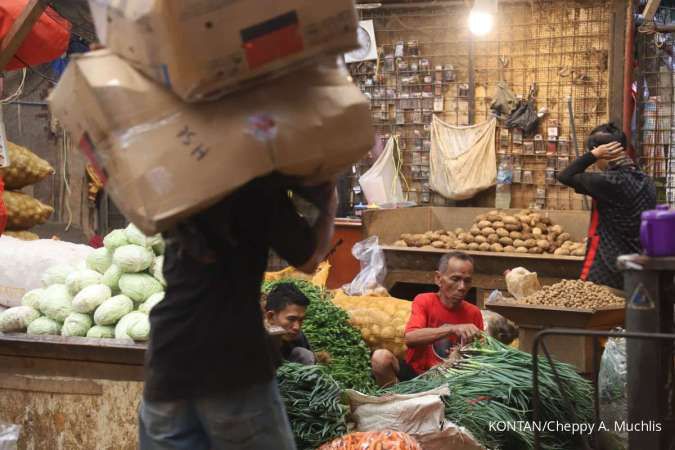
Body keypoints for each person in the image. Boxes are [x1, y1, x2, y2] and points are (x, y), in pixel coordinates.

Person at [139, 174, 337, 450]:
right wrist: (329, 202)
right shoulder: (256, 183)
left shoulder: (178, 179)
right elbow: (310, 259)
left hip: (166, 356)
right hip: (231, 358)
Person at [557, 123, 656, 290]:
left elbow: (564, 176)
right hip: (637, 267)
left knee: (604, 313)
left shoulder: (609, 181)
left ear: (604, 153)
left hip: (607, 270)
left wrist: (592, 155)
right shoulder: (647, 181)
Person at [371, 251, 484, 387]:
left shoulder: (474, 313)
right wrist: (452, 329)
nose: (462, 287)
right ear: (438, 278)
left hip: (449, 381)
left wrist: (458, 357)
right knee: (380, 358)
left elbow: (478, 358)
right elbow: (410, 338)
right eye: (455, 279)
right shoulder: (424, 301)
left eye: (467, 281)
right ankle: (392, 402)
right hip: (416, 376)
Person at [265, 282, 315, 365]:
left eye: (301, 320)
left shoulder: (298, 337)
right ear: (271, 317)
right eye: (291, 319)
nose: (297, 327)